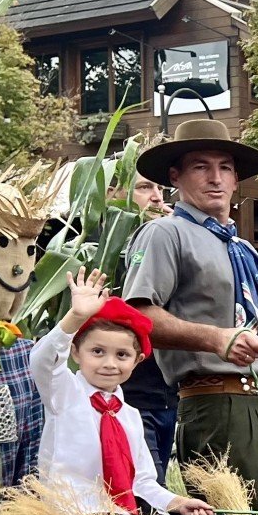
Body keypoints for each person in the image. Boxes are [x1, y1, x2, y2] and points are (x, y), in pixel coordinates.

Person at [121, 117, 258, 515]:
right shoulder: (166, 233)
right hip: (216, 404)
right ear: (175, 176)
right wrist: (216, 339)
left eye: (225, 168)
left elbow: (257, 333)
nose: (215, 178)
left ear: (237, 180)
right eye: (201, 166)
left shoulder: (243, 248)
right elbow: (137, 316)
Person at [30, 268, 220, 515]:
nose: (109, 363)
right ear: (75, 352)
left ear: (137, 360)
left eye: (121, 354)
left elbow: (142, 481)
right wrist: (76, 317)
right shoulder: (63, 392)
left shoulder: (129, 416)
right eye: (97, 352)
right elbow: (42, 360)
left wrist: (177, 503)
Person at [114, 174, 178, 478]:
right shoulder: (97, 249)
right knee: (148, 498)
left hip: (169, 395)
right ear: (112, 192)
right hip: (128, 400)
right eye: (144, 187)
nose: (157, 197)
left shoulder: (167, 239)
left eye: (161, 189)